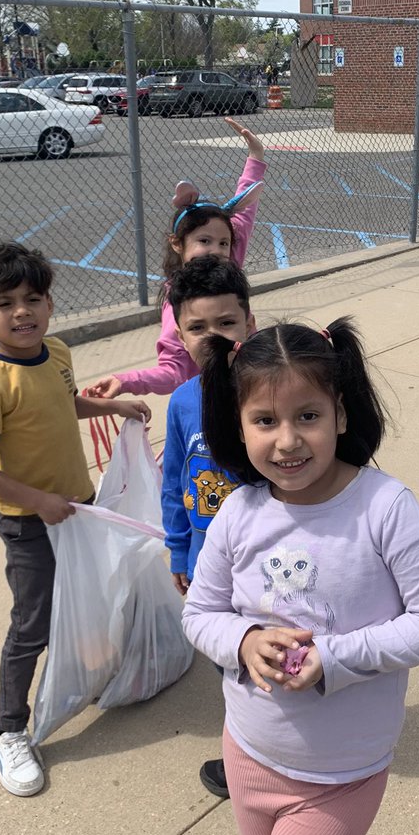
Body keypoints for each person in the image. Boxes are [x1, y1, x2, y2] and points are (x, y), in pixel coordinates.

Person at [182, 319, 419, 835]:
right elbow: (200, 612)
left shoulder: (385, 509)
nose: (287, 440)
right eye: (265, 420)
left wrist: (333, 657)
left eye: (307, 416)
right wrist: (244, 641)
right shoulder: (239, 511)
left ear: (340, 413)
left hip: (340, 775)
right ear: (239, 426)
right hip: (246, 750)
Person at [0, 242, 150, 797]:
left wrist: (112, 405)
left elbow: (64, 405)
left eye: (32, 299)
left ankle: (89, 677)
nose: (22, 312)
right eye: (5, 304)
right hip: (29, 525)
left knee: (91, 601)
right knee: (32, 627)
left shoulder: (57, 352)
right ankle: (8, 729)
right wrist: (37, 500)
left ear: (49, 303)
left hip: (78, 508)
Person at [160, 254, 255, 800]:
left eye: (226, 323)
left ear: (249, 323)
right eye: (197, 327)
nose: (212, 337)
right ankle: (247, 751)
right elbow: (175, 481)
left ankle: (267, 750)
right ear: (179, 333)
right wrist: (178, 550)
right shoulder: (180, 403)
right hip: (207, 564)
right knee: (229, 663)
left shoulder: (267, 391)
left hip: (263, 563)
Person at [82, 117, 265, 400]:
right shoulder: (179, 298)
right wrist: (126, 381)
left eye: (223, 242)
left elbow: (245, 210)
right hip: (208, 401)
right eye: (204, 241)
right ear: (177, 244)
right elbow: (173, 371)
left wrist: (256, 156)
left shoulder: (228, 263)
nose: (216, 250)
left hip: (252, 388)